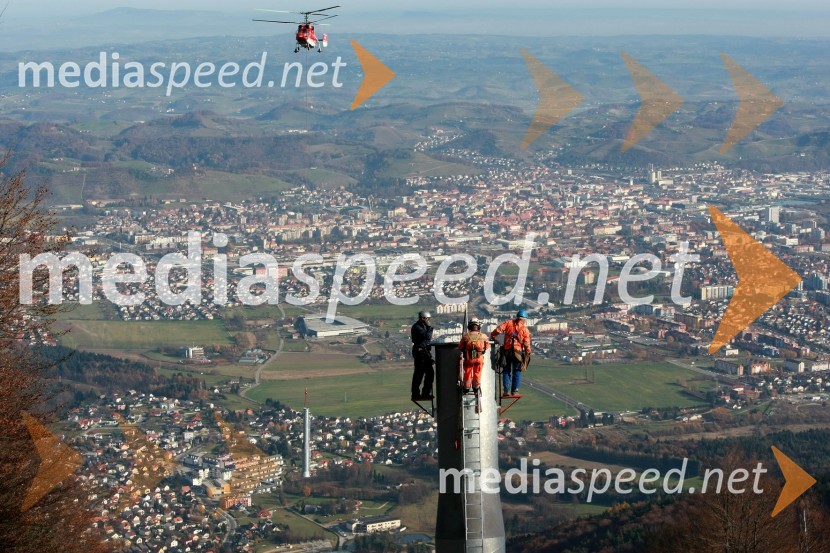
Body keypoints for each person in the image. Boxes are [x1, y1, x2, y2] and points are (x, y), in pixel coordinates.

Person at [490, 309, 532, 397]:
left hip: (507, 351)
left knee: (506, 370)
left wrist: (493, 336)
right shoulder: (525, 330)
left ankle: (506, 391)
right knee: (517, 371)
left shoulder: (509, 323)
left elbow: (498, 329)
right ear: (524, 319)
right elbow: (526, 343)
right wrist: (528, 352)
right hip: (517, 353)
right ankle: (515, 391)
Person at [410, 310, 434, 401]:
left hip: (424, 352)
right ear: (423, 318)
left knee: (428, 373)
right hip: (420, 352)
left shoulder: (421, 326)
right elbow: (427, 337)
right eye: (427, 319)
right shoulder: (417, 327)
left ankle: (425, 393)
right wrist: (429, 327)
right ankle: (417, 393)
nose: (428, 320)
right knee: (419, 373)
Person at [459, 320, 489, 394]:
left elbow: (460, 347)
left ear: (470, 327)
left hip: (469, 358)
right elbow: (487, 346)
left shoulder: (466, 336)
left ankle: (466, 387)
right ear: (478, 327)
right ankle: (476, 387)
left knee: (468, 372)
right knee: (477, 372)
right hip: (479, 358)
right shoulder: (483, 336)